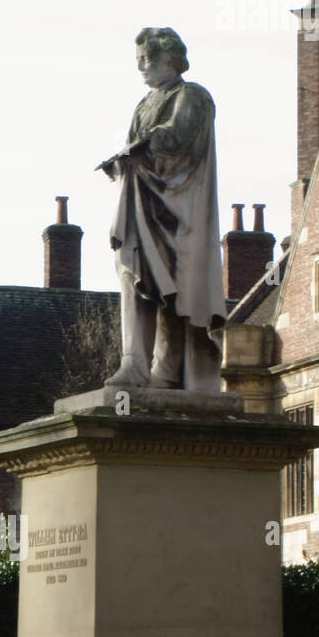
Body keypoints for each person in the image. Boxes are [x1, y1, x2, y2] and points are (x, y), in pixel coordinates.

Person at [97, 27, 225, 392]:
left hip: (179, 210)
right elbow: (144, 145)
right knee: (132, 272)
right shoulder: (143, 104)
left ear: (170, 58)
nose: (141, 66)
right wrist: (122, 159)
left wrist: (138, 148)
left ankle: (163, 368)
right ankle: (135, 362)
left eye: (147, 59)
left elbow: (177, 137)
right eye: (137, 59)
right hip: (143, 200)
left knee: (174, 287)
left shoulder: (193, 95)